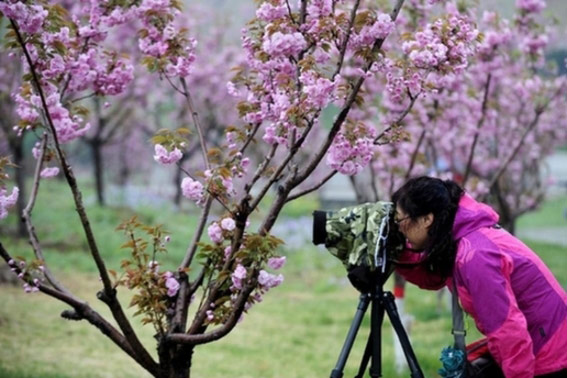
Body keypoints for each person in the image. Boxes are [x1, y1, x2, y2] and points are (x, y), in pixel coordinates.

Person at [391, 176, 567, 377]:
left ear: (426, 219)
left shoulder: (475, 255)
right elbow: (434, 276)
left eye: (400, 220)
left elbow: (507, 329)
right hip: (541, 342)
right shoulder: (459, 239)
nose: (399, 228)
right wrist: (395, 254)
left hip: (552, 352)